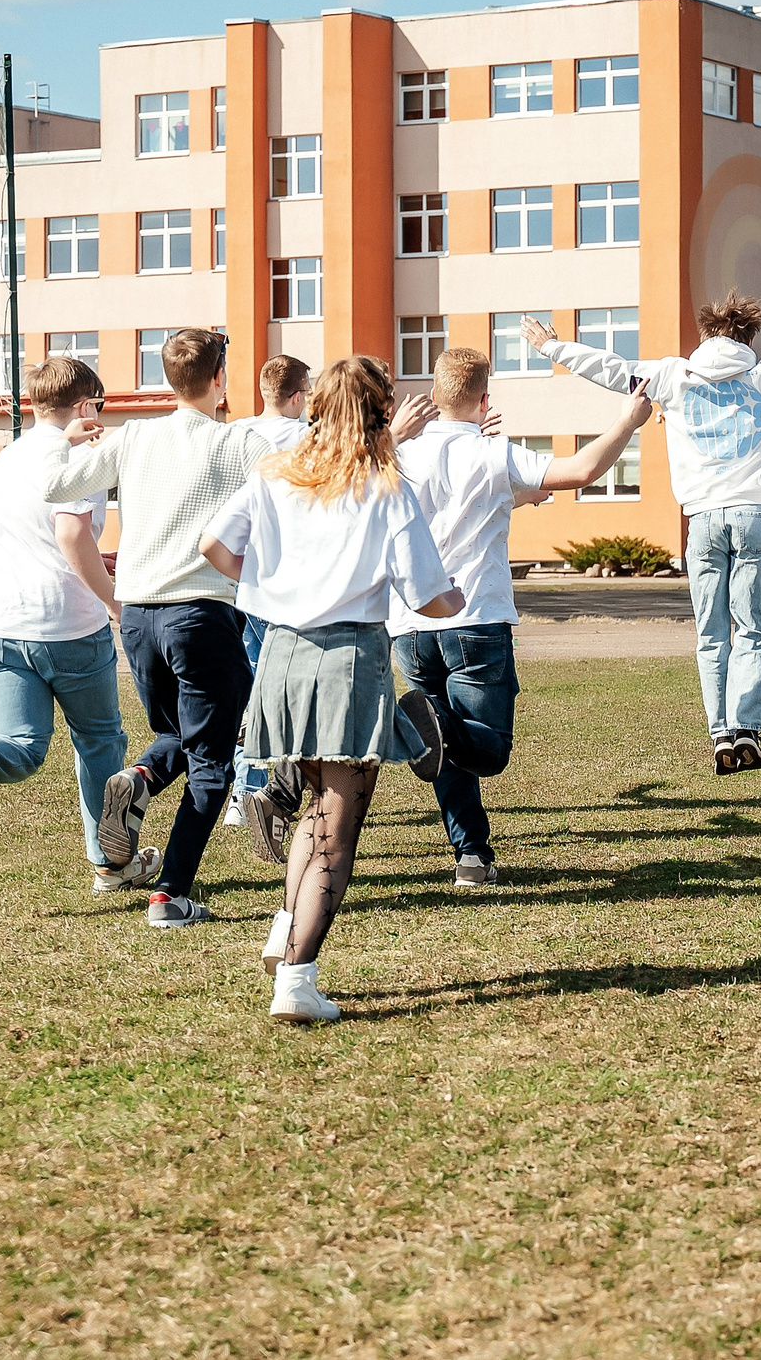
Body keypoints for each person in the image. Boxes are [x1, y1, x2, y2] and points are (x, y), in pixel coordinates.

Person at [45, 329, 413, 929]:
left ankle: (139, 779)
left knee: (175, 734)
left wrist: (66, 444)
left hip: (137, 614)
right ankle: (170, 894)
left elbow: (55, 488)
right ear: (221, 380)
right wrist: (388, 436)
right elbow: (311, 472)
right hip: (202, 615)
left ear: (169, 379)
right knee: (214, 758)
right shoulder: (236, 442)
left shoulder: (133, 435)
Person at [524, 289, 761, 774]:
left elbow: (610, 367)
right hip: (754, 516)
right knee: (750, 629)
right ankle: (747, 727)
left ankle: (721, 735)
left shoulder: (672, 374)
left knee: (711, 634)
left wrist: (552, 347)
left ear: (707, 334)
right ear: (749, 335)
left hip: (702, 520)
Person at [199, 356, 464, 1024]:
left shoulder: (273, 472)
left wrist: (265, 586)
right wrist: (455, 595)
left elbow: (213, 545)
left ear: (314, 408)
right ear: (379, 415)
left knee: (314, 808)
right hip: (349, 655)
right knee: (335, 829)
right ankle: (296, 977)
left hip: (282, 653)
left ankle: (285, 936)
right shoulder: (384, 484)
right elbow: (427, 594)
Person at [385, 348, 654, 885]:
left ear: (434, 396)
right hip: (474, 618)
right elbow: (580, 469)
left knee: (448, 748)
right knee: (487, 749)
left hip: (409, 625)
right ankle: (413, 733)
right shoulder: (492, 453)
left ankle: (471, 856)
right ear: (486, 400)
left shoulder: (396, 454)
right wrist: (629, 418)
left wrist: (518, 495)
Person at [0, 358, 145, 888]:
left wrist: (92, 557)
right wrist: (114, 603)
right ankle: (109, 862)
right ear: (85, 406)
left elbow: (41, 536)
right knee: (100, 741)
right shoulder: (80, 455)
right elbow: (67, 535)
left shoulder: (8, 457)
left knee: (22, 744)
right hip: (65, 625)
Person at [226, 354, 312, 826]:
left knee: (249, 686)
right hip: (281, 581)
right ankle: (252, 792)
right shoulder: (305, 439)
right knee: (274, 691)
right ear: (297, 396)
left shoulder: (235, 434)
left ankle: (247, 791)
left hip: (236, 577)